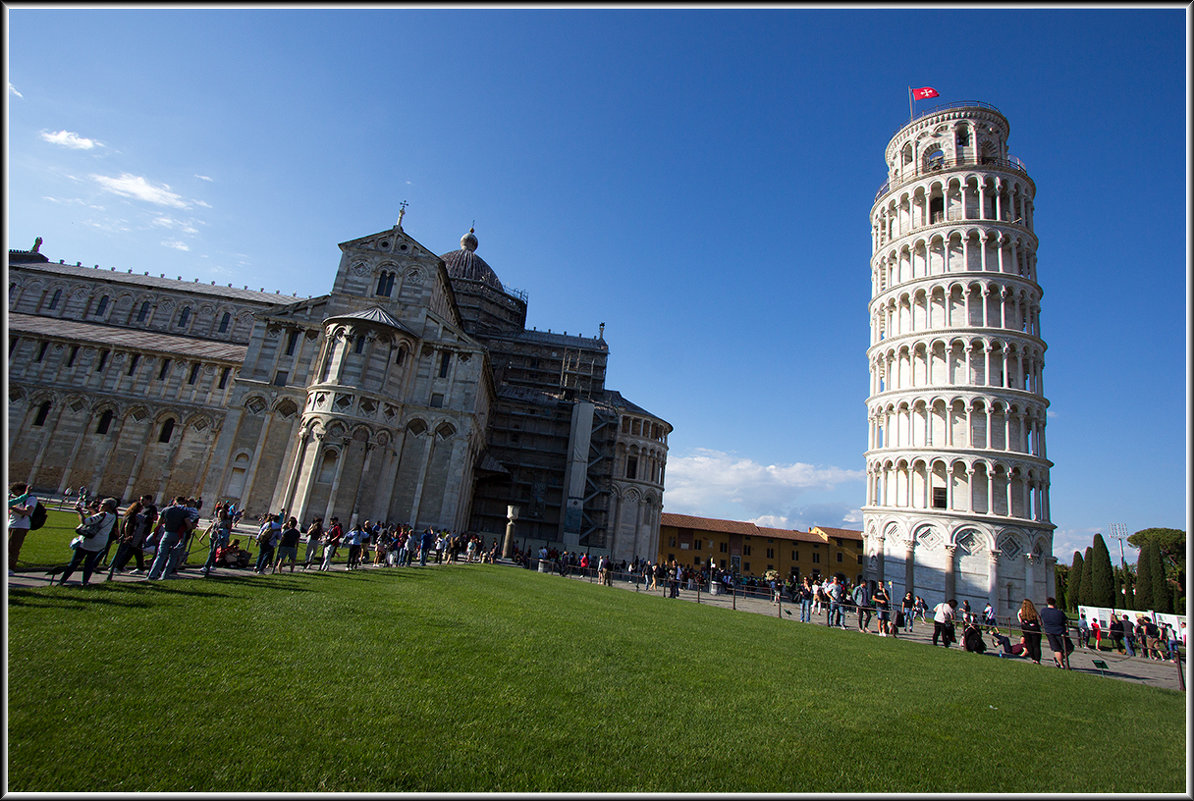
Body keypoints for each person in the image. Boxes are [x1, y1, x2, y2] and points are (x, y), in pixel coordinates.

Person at [58, 498, 119, 586]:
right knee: (89, 563)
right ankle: (85, 582)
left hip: (90, 541)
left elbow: (85, 521)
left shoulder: (102, 514)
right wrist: (92, 510)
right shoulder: (113, 516)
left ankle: (62, 581)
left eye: (102, 504)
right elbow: (98, 519)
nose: (100, 505)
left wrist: (79, 512)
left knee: (74, 562)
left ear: (108, 506)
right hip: (100, 542)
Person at [147, 496, 198, 581]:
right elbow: (189, 525)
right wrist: (185, 529)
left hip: (167, 533)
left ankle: (152, 575)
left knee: (160, 555)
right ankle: (165, 575)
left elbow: (159, 523)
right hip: (179, 535)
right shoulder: (184, 512)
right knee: (173, 557)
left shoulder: (166, 510)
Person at [8, 482, 38, 575]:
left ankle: (10, 568)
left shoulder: (31, 499)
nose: (13, 494)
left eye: (15, 491)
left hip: (20, 526)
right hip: (12, 524)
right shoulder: (18, 499)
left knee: (13, 548)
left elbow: (27, 512)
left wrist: (12, 508)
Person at [200, 502, 234, 575]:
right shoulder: (215, 520)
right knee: (213, 551)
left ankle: (206, 567)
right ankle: (213, 565)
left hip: (219, 538)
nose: (220, 514)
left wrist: (226, 538)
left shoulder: (226, 521)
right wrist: (202, 536)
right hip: (212, 536)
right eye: (219, 513)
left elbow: (228, 530)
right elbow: (210, 527)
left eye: (221, 513)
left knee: (212, 551)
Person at [1039, 597, 1072, 669]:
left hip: (1049, 632)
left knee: (1056, 649)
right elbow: (1066, 621)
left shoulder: (1043, 611)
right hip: (1060, 632)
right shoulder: (1059, 612)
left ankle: (1061, 664)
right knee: (1069, 648)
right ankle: (1061, 658)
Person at [1017, 599, 1044, 665]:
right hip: (1035, 629)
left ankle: (1033, 658)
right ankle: (1037, 659)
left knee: (1029, 644)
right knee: (1036, 645)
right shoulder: (1034, 612)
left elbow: (1020, 621)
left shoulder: (1021, 612)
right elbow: (1040, 621)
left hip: (1025, 629)